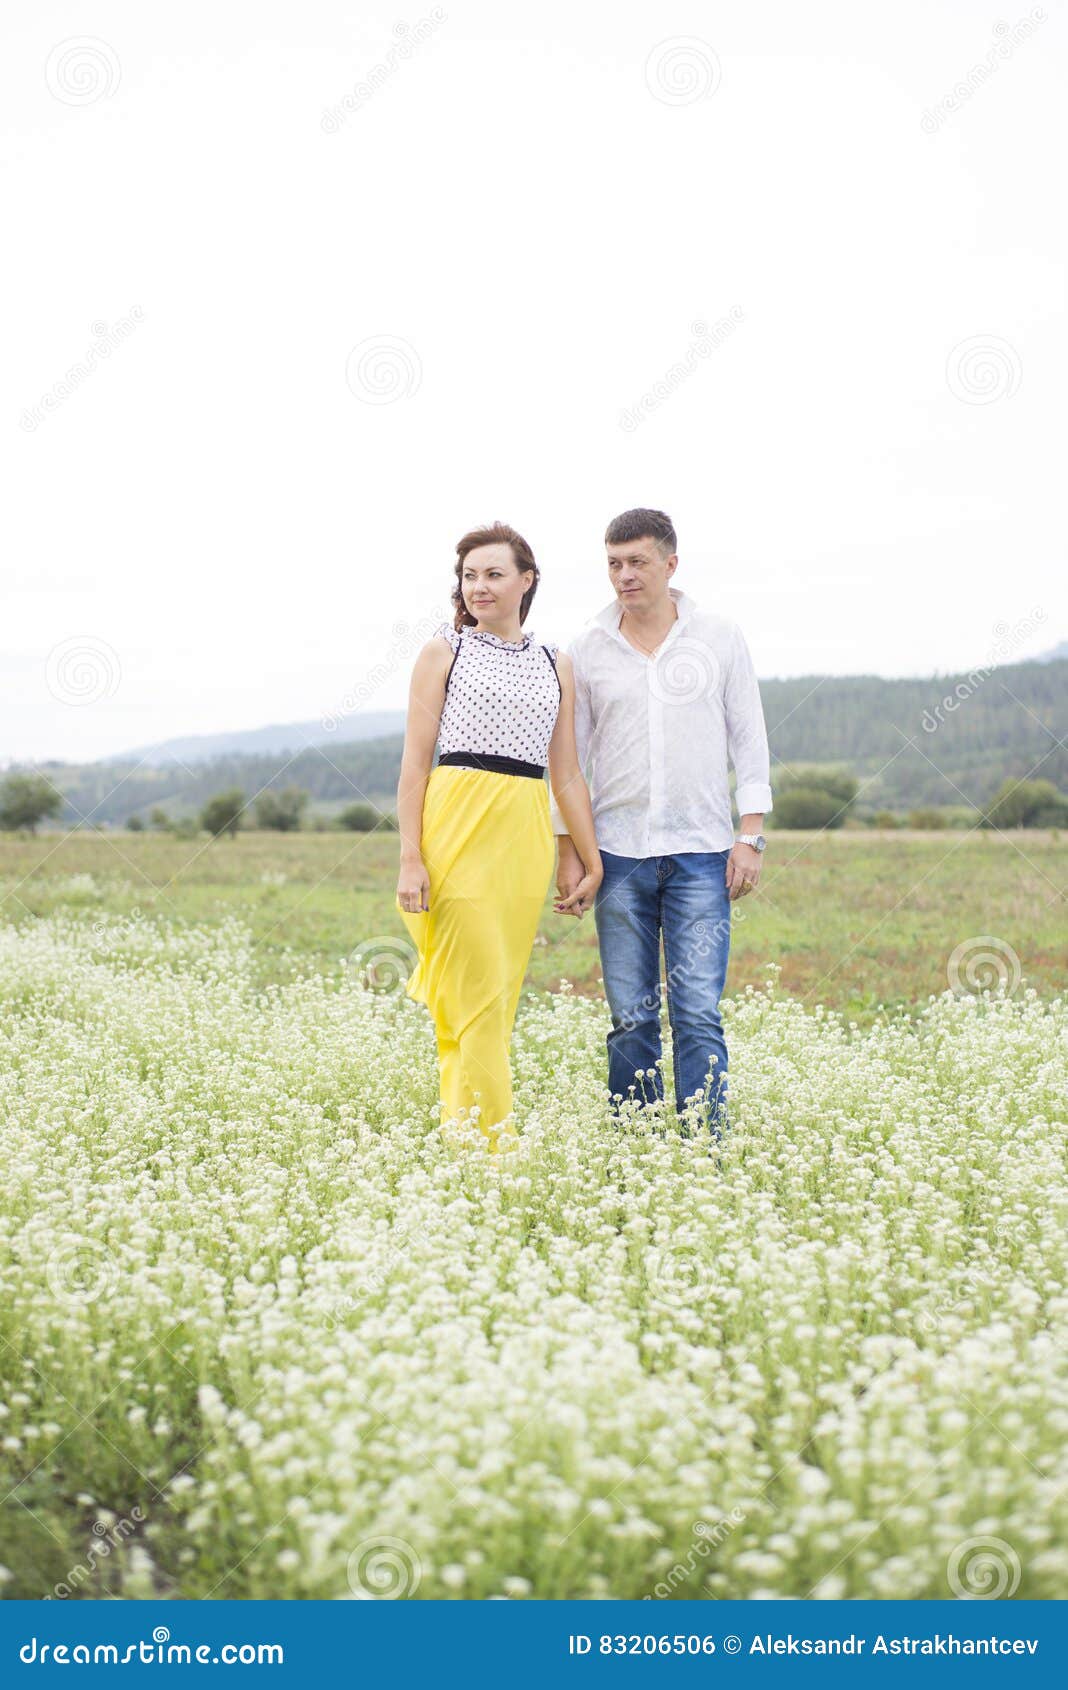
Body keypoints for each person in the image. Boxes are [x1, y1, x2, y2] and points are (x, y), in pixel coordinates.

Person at [550, 508, 773, 1142]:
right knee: (629, 1019)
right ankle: (636, 1150)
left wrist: (749, 835)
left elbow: (749, 740)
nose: (624, 575)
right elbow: (569, 763)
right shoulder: (585, 650)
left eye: (637, 562)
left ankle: (705, 1148)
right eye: (614, 564)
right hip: (617, 857)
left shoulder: (719, 636)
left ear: (671, 564)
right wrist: (569, 851)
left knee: (699, 1013)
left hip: (703, 853)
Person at [395, 521, 602, 1151]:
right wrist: (410, 855)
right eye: (468, 576)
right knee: (476, 992)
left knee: (495, 999)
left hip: (523, 832)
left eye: (493, 574)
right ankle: (493, 1152)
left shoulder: (554, 661)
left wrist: (585, 859)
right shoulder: (444, 652)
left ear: (526, 580)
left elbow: (564, 771)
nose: (478, 587)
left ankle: (462, 1137)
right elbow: (413, 762)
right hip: (455, 826)